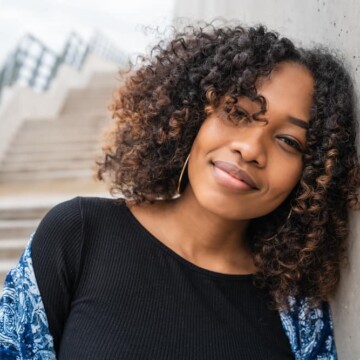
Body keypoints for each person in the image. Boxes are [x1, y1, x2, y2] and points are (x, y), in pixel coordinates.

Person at [1, 22, 359, 359]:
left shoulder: (297, 314)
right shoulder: (79, 235)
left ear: (312, 174)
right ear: (192, 115)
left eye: (287, 140)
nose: (250, 148)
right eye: (237, 112)